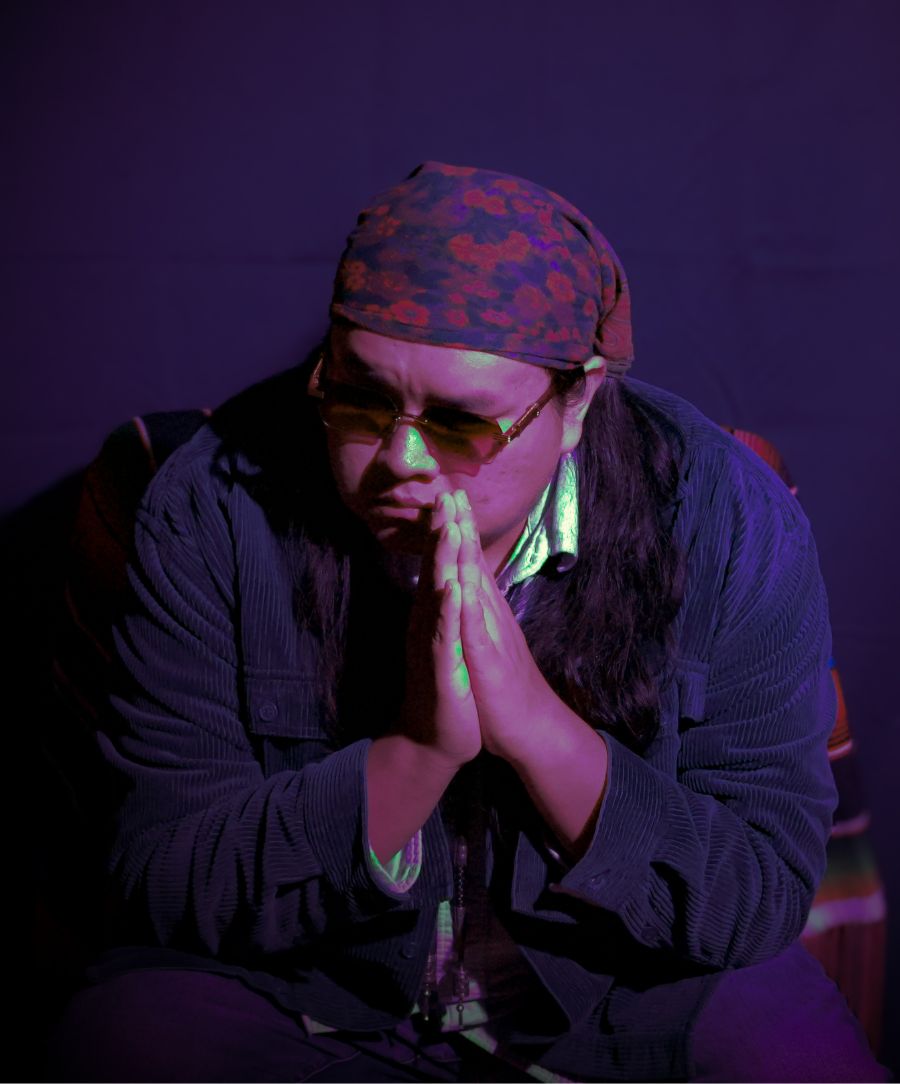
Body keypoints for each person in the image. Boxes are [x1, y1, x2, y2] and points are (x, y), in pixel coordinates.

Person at [47, 162, 885, 1082]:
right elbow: (165, 876)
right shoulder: (211, 503)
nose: (398, 460)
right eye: (361, 400)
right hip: (311, 996)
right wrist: (413, 752)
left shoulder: (731, 514)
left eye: (459, 422)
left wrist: (538, 729)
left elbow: (758, 895)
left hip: (630, 1000)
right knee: (121, 1036)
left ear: (577, 403)